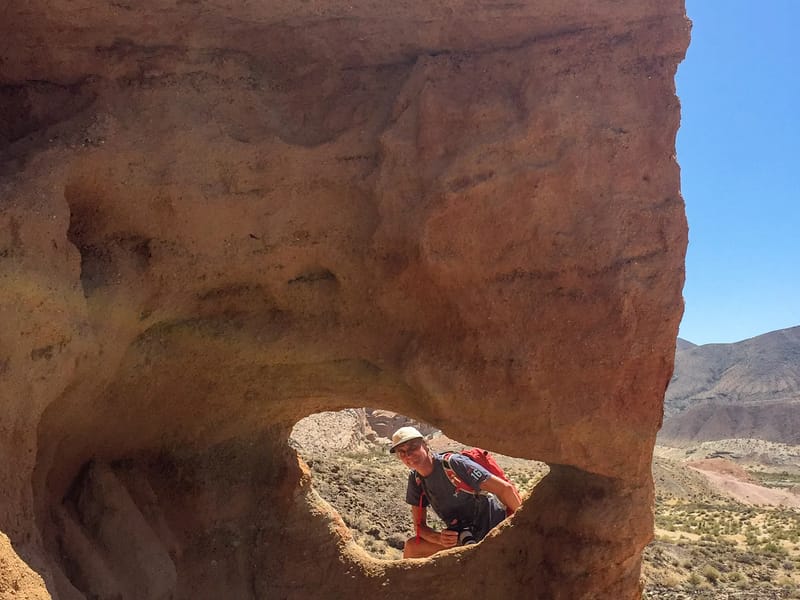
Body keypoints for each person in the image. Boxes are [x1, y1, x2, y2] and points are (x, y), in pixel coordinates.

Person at [390, 426, 522, 558]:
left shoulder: (453, 464)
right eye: (402, 452)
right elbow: (419, 526)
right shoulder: (416, 479)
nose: (408, 455)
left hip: (494, 530)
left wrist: (526, 524)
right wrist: (439, 538)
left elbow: (505, 489)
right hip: (463, 539)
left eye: (413, 447)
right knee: (413, 547)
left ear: (425, 444)